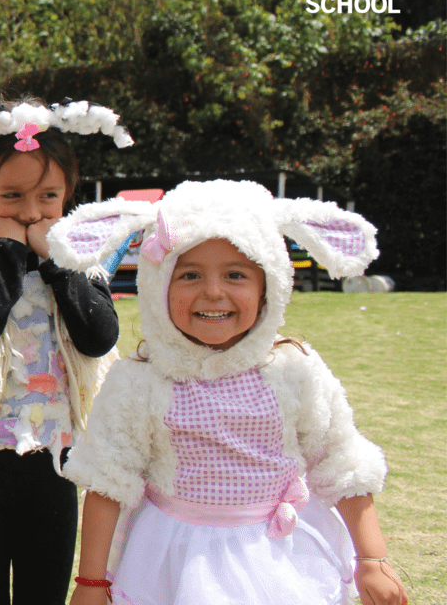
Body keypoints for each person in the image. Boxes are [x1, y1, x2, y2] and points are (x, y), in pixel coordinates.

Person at [48, 179, 409, 605]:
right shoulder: (139, 380)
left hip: (281, 557)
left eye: (236, 274)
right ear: (157, 284)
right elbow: (108, 480)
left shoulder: (294, 370)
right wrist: (91, 582)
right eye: (189, 275)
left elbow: (340, 459)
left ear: (269, 285)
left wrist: (373, 558)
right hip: (173, 559)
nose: (213, 292)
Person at [0, 96, 134, 605]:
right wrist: (7, 254)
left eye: (48, 197)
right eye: (11, 196)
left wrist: (56, 261)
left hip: (55, 461)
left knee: (45, 593)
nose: (31, 212)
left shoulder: (79, 265)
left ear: (68, 194)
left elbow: (99, 336)